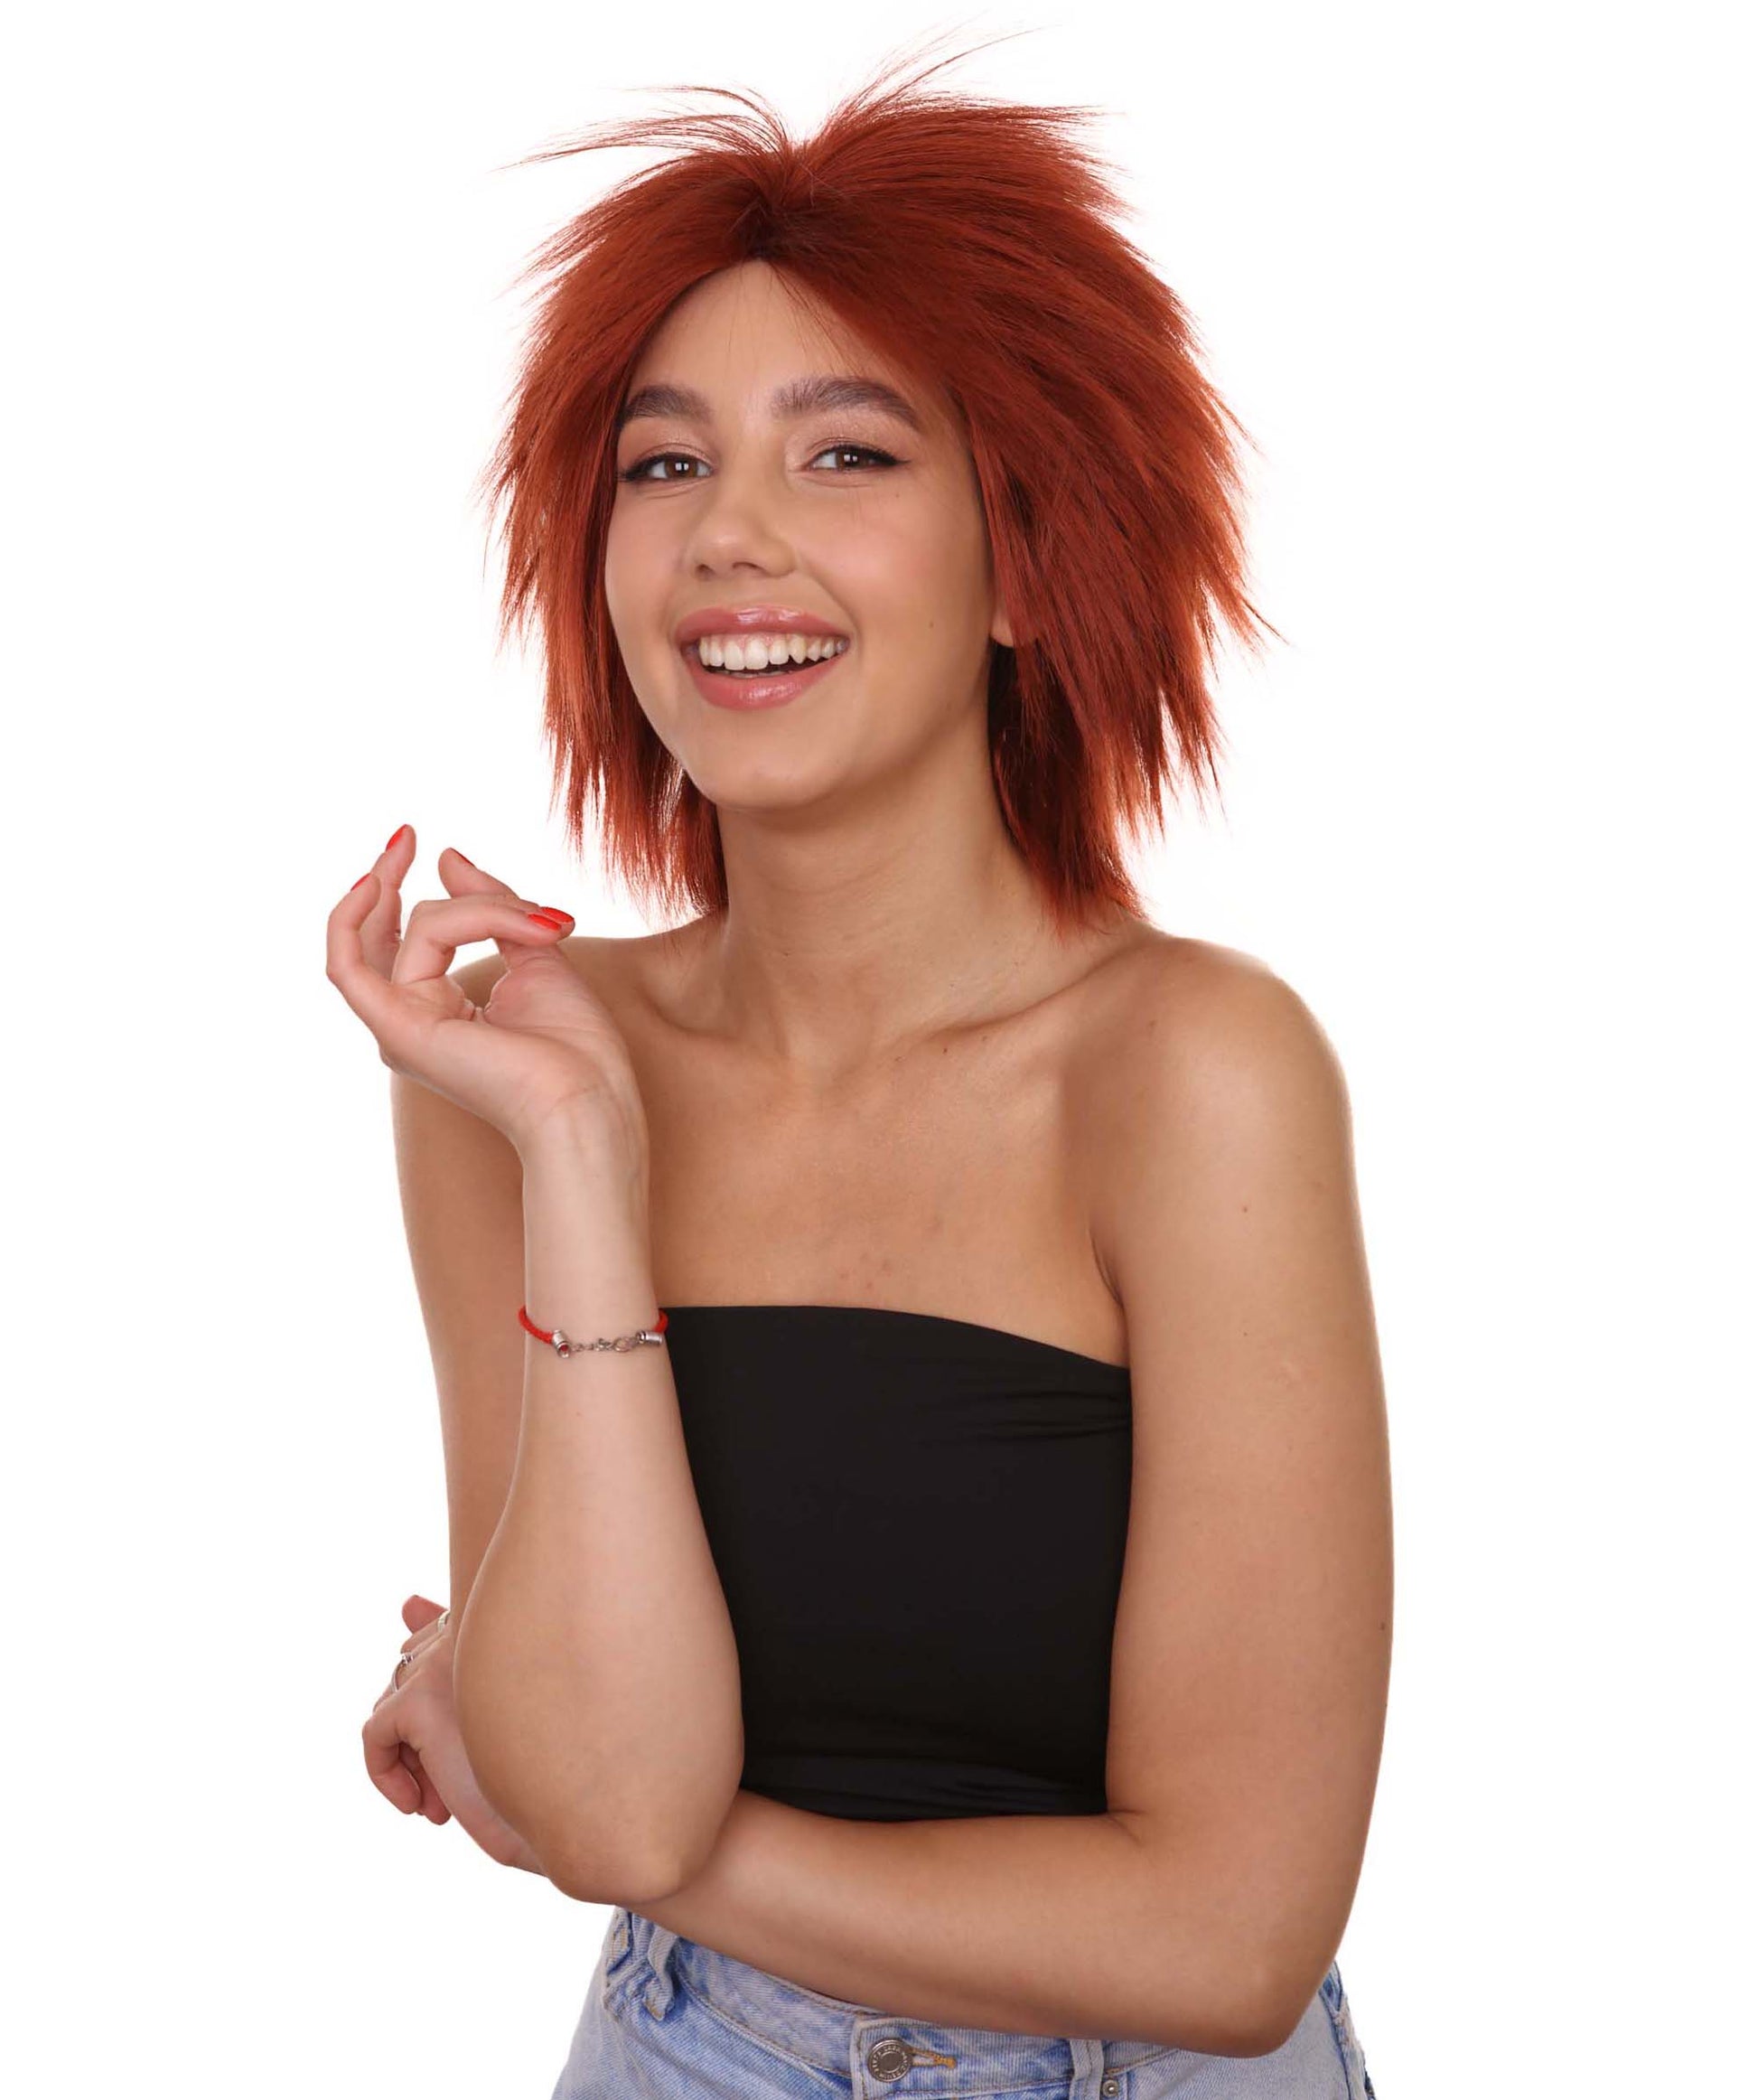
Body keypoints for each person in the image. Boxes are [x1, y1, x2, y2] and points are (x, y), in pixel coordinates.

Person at [329, 38, 1389, 2099]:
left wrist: (600, 1818)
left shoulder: (1191, 1072)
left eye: (845, 455)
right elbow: (585, 1781)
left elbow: (1231, 1936)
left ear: (1028, 559)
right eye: (661, 466)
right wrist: (578, 1146)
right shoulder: (519, 1066)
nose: (730, 536)